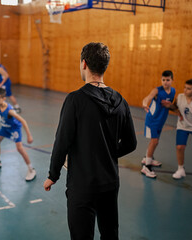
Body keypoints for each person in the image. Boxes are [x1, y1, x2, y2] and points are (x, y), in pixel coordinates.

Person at [43, 42, 137, 240]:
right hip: (110, 182)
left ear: (84, 64)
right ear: (105, 66)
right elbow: (131, 143)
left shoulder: (75, 100)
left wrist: (53, 174)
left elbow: (62, 141)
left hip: (82, 184)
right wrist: (107, 153)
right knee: (110, 233)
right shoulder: (121, 101)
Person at [141, 70, 175, 178]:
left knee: (155, 142)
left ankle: (148, 158)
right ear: (161, 80)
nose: (165, 82)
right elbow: (148, 97)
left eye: (168, 80)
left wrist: (170, 106)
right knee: (154, 141)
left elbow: (172, 106)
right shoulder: (157, 90)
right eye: (163, 80)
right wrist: (145, 103)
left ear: (172, 80)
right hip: (153, 120)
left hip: (161, 120)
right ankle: (146, 167)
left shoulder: (173, 91)